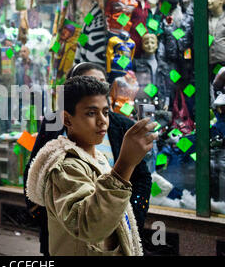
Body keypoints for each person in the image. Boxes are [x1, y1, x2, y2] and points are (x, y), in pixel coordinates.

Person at [23, 62, 152, 256]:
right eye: (91, 113)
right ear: (67, 119)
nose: (102, 120)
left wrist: (127, 216)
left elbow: (141, 180)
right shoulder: (64, 165)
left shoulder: (99, 154)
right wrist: (125, 164)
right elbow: (88, 225)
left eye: (106, 112)